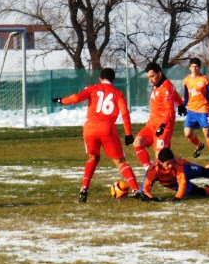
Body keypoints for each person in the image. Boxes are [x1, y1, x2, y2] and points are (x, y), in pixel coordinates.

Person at [52, 68, 142, 203]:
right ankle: (136, 190)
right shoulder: (118, 93)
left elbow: (76, 98)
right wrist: (128, 133)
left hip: (90, 128)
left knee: (93, 158)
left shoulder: (93, 88)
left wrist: (61, 100)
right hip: (107, 128)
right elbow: (124, 113)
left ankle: (84, 188)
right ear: (114, 80)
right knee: (120, 161)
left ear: (100, 78)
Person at [133, 62, 186, 168]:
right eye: (149, 77)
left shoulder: (166, 87)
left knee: (161, 156)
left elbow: (169, 110)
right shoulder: (159, 85)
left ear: (160, 74)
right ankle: (149, 169)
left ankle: (182, 168)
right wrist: (180, 104)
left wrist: (162, 126)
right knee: (138, 142)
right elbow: (174, 92)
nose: (150, 79)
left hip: (164, 126)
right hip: (152, 124)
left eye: (152, 76)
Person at [133, 147, 209, 202]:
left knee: (208, 173)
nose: (171, 165)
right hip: (172, 183)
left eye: (172, 162)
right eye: (168, 163)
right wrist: (152, 198)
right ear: (160, 162)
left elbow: (182, 182)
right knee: (200, 193)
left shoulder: (178, 164)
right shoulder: (152, 170)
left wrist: (177, 198)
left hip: (186, 169)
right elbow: (145, 190)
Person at [182, 57, 209, 161]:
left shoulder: (204, 79)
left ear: (199, 68)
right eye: (192, 66)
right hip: (191, 111)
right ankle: (199, 145)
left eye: (196, 66)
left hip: (203, 109)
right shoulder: (186, 80)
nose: (194, 68)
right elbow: (186, 96)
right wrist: (182, 106)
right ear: (189, 68)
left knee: (207, 133)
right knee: (187, 134)